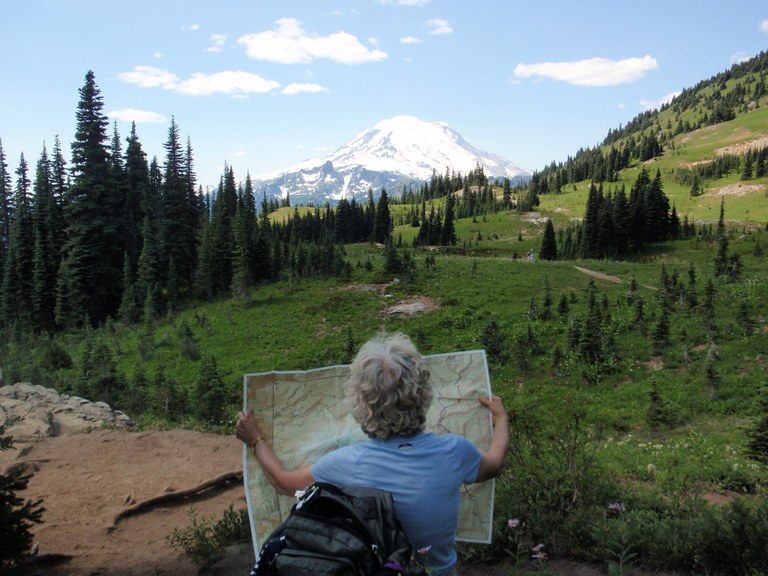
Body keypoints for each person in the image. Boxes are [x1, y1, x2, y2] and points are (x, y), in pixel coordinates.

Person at [236, 332, 509, 576]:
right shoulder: (455, 451)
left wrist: (256, 439)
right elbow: (494, 464)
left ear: (362, 402)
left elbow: (283, 483)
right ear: (423, 393)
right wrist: (500, 419)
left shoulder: (347, 462)